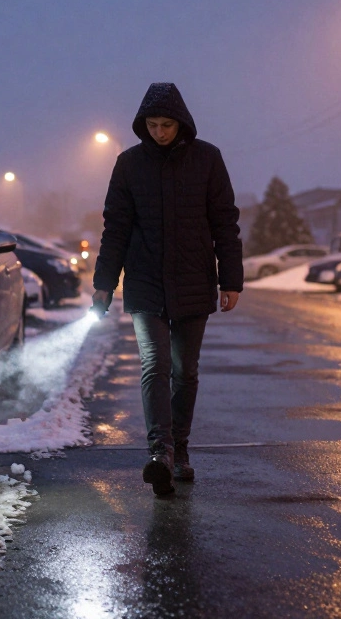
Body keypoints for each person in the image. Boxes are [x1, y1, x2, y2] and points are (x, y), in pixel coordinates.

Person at [92, 82, 243, 496]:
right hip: (144, 281)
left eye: (167, 124)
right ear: (143, 125)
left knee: (184, 370)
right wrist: (104, 284)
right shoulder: (129, 164)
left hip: (194, 278)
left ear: (182, 123)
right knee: (154, 365)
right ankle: (160, 451)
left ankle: (181, 448)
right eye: (153, 125)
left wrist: (231, 279)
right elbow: (116, 228)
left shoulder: (208, 160)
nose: (159, 132)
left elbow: (225, 222)